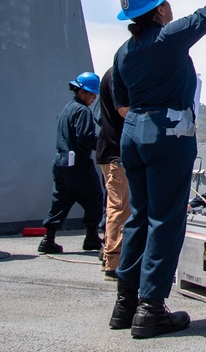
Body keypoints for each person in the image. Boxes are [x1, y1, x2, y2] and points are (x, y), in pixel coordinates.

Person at [108, 0, 206, 339]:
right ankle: (151, 309)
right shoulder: (167, 38)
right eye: (165, 1)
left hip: (132, 135)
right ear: (160, 9)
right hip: (168, 135)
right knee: (166, 219)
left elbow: (122, 102)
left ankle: (125, 303)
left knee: (139, 217)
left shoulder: (122, 53)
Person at [38, 72, 105, 255]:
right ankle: (91, 237)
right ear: (81, 92)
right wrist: (104, 140)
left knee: (60, 200)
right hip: (78, 164)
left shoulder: (68, 108)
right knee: (94, 197)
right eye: (92, 94)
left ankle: (48, 239)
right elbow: (85, 137)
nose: (93, 98)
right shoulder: (82, 111)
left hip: (61, 163)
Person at [96, 66, 129, 280]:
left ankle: (110, 253)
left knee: (116, 205)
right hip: (116, 154)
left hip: (110, 151)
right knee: (119, 207)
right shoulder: (118, 75)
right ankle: (113, 263)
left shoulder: (114, 74)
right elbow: (125, 110)